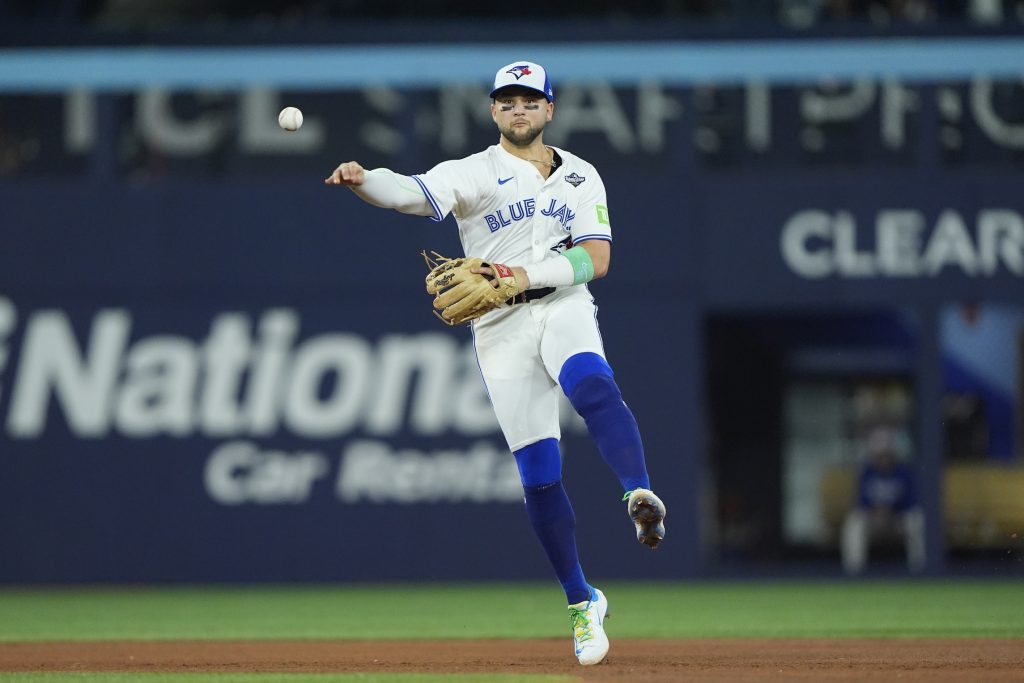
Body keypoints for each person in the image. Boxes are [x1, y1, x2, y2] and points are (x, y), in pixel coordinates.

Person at [325, 60, 666, 666]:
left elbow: (597, 260)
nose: (518, 109)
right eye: (507, 101)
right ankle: (581, 602)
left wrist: (520, 277)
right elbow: (408, 193)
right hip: (498, 328)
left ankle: (638, 493)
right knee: (539, 474)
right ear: (493, 112)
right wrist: (364, 179)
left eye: (529, 100)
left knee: (592, 386)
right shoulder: (474, 172)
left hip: (561, 304)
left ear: (549, 109)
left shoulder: (583, 177)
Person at [841, 427, 925, 575]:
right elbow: (861, 501)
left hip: (898, 518)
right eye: (880, 455)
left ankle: (919, 572)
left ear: (893, 454)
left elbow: (912, 501)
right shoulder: (867, 472)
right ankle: (854, 573)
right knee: (855, 523)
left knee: (916, 521)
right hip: (873, 519)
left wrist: (891, 511)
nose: (883, 459)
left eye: (886, 455)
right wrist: (875, 513)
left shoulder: (904, 472)